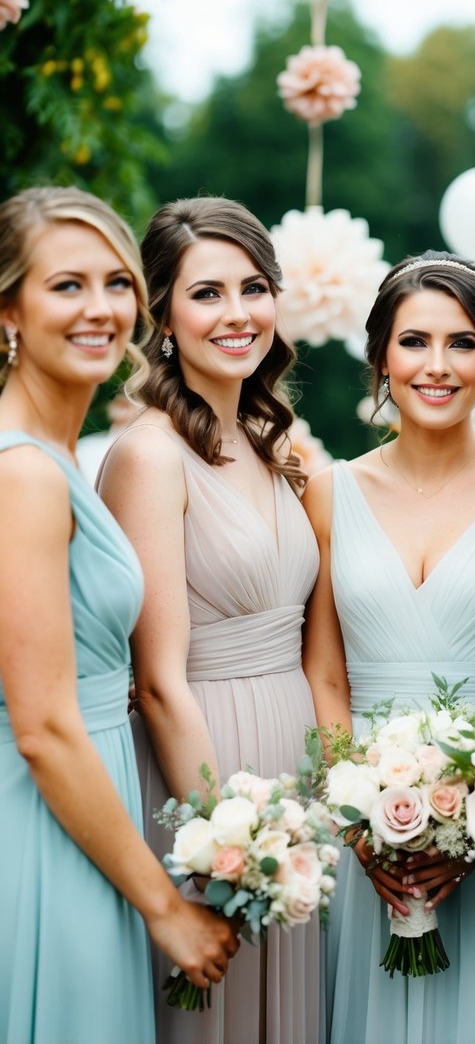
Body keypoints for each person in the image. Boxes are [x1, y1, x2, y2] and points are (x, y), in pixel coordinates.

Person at [302, 250, 475, 1044]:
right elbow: (323, 671)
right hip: (364, 822)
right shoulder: (330, 491)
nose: (436, 365)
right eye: (413, 341)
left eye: (461, 343)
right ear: (380, 357)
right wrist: (357, 815)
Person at [0, 187, 238, 1044]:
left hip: (92, 809)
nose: (100, 309)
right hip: (40, 821)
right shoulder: (21, 473)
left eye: (116, 283)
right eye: (66, 286)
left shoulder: (60, 455)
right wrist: (164, 907)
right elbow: (43, 727)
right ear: (8, 312)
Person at [97, 196, 320, 1044]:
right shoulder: (150, 455)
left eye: (253, 288)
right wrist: (225, 842)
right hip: (211, 777)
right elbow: (157, 682)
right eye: (206, 293)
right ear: (161, 314)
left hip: (293, 773)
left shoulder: (272, 445)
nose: (237, 314)